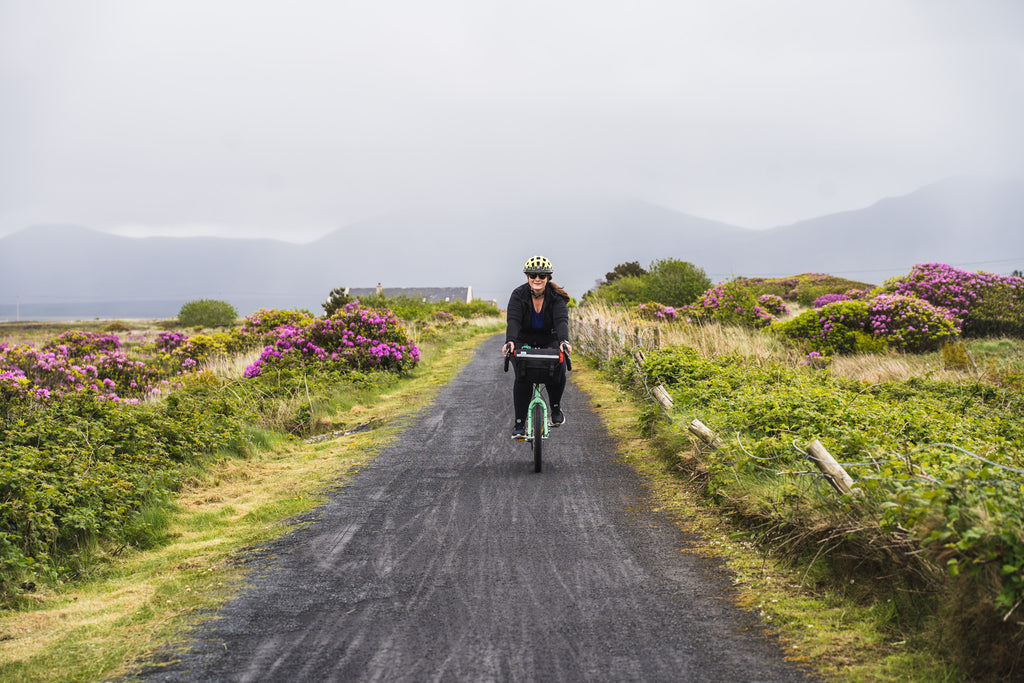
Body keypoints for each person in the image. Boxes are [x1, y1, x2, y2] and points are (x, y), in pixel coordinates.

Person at [502, 255, 572, 440]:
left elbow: (561, 320)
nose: (537, 279)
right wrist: (510, 341)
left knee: (558, 366)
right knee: (523, 376)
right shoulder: (518, 295)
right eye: (533, 275)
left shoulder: (555, 297)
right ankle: (519, 423)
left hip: (550, 338)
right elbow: (514, 320)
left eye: (542, 275)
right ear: (527, 277)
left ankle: (555, 407)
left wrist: (564, 341)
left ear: (548, 277)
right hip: (523, 339)